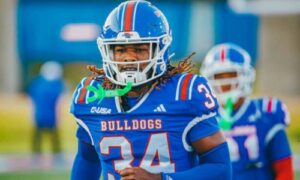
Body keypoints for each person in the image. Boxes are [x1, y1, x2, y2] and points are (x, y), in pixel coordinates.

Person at [70, 1, 231, 180]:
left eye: (139, 49)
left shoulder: (185, 93)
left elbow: (221, 169)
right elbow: (87, 159)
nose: (129, 58)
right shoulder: (92, 96)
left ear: (160, 49)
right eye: (120, 49)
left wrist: (162, 179)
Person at [201, 43, 294, 180]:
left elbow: (285, 169)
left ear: (246, 75)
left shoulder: (266, 112)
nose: (225, 83)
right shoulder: (201, 118)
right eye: (218, 77)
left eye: (231, 75)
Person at [27, 61, 64, 164]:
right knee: (54, 140)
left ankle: (35, 159)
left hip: (39, 115)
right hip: (51, 117)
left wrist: (32, 116)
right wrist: (58, 119)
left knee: (37, 139)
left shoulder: (37, 83)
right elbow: (58, 104)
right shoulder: (57, 85)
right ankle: (58, 159)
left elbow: (32, 102)